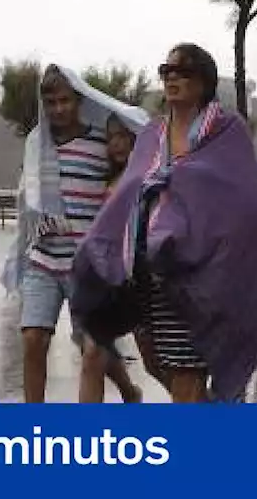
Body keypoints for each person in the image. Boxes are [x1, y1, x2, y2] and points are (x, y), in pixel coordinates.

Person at [72, 43, 257, 402]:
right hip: (150, 274)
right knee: (159, 366)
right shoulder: (152, 135)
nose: (171, 77)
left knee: (186, 374)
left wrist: (178, 185)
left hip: (201, 275)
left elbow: (248, 197)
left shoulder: (227, 130)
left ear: (203, 80)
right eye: (165, 70)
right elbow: (130, 193)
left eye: (181, 70)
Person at [0, 65, 150, 403]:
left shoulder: (101, 143)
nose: (58, 109)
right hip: (44, 259)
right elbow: (30, 198)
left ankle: (125, 392)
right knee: (32, 341)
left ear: (79, 100)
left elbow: (126, 178)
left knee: (93, 349)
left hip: (88, 266)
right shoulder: (37, 145)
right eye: (50, 102)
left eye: (65, 101)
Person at [79, 112, 169, 401]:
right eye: (110, 138)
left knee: (155, 364)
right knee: (93, 352)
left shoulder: (149, 177)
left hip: (140, 281)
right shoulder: (108, 180)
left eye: (122, 136)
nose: (116, 144)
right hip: (111, 282)